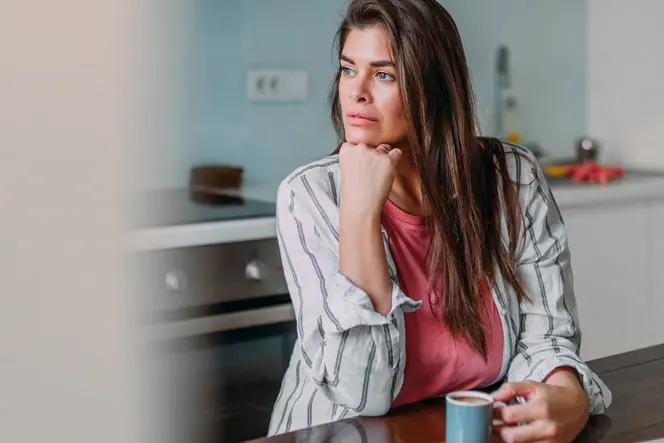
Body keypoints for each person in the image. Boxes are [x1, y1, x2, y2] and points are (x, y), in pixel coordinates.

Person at [268, 0, 612, 441]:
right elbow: (362, 394)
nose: (355, 91)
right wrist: (360, 212)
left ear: (432, 87)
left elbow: (547, 337)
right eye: (348, 69)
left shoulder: (512, 177)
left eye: (384, 74)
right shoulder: (308, 195)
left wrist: (567, 395)